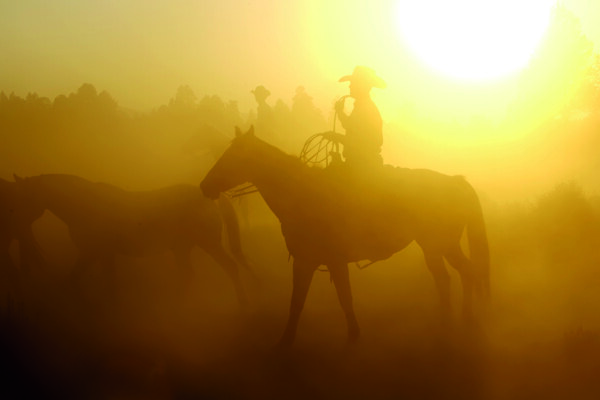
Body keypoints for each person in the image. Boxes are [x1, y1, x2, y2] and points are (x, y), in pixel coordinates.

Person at [327, 66, 386, 170]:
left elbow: (359, 141)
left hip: (364, 167)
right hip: (361, 164)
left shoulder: (365, 109)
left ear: (361, 86)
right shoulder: (363, 106)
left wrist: (337, 137)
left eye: (353, 83)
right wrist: (340, 112)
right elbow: (351, 126)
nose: (349, 86)